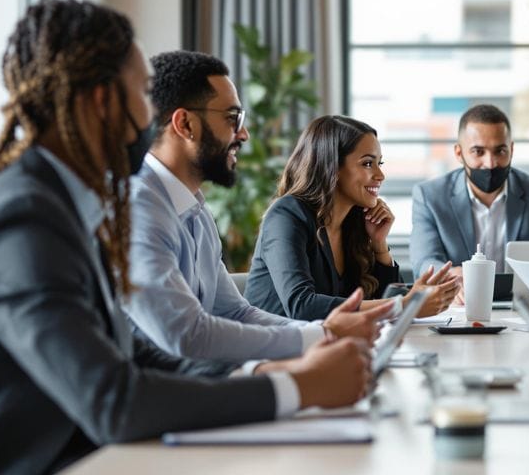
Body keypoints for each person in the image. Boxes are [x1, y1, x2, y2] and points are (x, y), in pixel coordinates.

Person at [0, 0, 372, 474]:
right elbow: (114, 401)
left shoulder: (63, 202)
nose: (153, 115)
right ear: (103, 100)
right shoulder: (21, 216)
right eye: (144, 94)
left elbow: (135, 353)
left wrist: (274, 371)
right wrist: (297, 388)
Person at [127, 50, 388, 362]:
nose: (244, 134)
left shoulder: (195, 209)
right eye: (232, 118)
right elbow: (187, 336)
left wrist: (323, 336)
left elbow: (234, 311)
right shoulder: (137, 208)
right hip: (160, 394)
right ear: (185, 124)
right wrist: (321, 336)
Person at [244, 115, 458, 321]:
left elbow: (379, 302)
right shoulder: (287, 215)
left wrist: (379, 245)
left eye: (379, 164)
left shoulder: (352, 222)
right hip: (273, 350)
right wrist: (404, 306)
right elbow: (301, 306)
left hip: (324, 347)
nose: (380, 175)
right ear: (332, 167)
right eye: (367, 164)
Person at [410, 104, 529, 301]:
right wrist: (450, 276)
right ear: (459, 154)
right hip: (459, 306)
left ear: (511, 149)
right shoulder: (430, 196)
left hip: (521, 305)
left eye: (500, 151)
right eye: (478, 151)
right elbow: (423, 261)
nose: (491, 163)